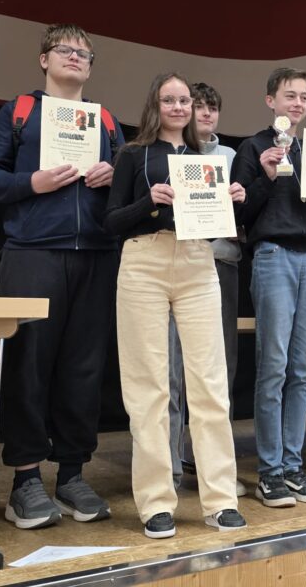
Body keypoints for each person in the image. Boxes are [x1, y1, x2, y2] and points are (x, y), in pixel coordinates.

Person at [0, 23, 121, 529]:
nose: (76, 57)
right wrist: (30, 182)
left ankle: (73, 474)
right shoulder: (19, 112)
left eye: (85, 52)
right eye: (66, 49)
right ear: (44, 59)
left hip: (97, 256)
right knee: (29, 364)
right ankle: (26, 481)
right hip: (32, 252)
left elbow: (126, 193)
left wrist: (113, 175)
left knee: (84, 367)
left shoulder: (105, 120)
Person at [105, 72, 247, 538]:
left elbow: (211, 226)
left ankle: (220, 500)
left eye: (185, 99)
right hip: (143, 261)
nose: (180, 106)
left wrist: (232, 203)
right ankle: (155, 502)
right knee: (148, 389)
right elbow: (112, 222)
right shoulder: (131, 154)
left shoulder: (205, 158)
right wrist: (149, 202)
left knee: (210, 384)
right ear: (155, 104)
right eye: (170, 99)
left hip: (196, 262)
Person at [231, 67, 306, 508]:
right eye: (289, 95)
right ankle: (270, 471)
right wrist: (265, 175)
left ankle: (293, 463)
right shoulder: (253, 146)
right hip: (273, 255)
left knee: (303, 367)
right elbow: (240, 215)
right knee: (275, 365)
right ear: (271, 101)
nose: (298, 103)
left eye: (304, 96)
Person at [168, 82, 246, 497]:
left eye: (213, 108)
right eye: (200, 107)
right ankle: (171, 464)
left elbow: (247, 211)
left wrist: (240, 195)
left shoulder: (229, 157)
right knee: (173, 368)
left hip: (220, 264)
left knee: (219, 369)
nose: (207, 115)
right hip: (176, 263)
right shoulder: (170, 152)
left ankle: (210, 461)